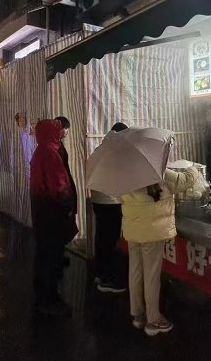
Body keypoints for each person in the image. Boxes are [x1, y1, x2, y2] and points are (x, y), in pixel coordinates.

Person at [121, 164, 201, 336]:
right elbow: (184, 181)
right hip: (151, 230)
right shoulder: (157, 169)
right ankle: (154, 320)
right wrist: (193, 167)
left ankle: (138, 315)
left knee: (135, 270)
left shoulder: (124, 171)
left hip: (132, 227)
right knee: (151, 275)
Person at [30, 119, 78, 316]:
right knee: (52, 257)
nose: (62, 133)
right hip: (53, 214)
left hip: (42, 213)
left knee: (44, 254)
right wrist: (68, 208)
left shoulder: (39, 151)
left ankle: (42, 294)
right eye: (59, 130)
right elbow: (59, 186)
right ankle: (50, 300)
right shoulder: (51, 154)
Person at [91, 122, 129, 293]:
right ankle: (110, 279)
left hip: (97, 200)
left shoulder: (100, 149)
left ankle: (100, 273)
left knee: (101, 237)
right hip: (112, 202)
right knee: (111, 240)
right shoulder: (118, 151)